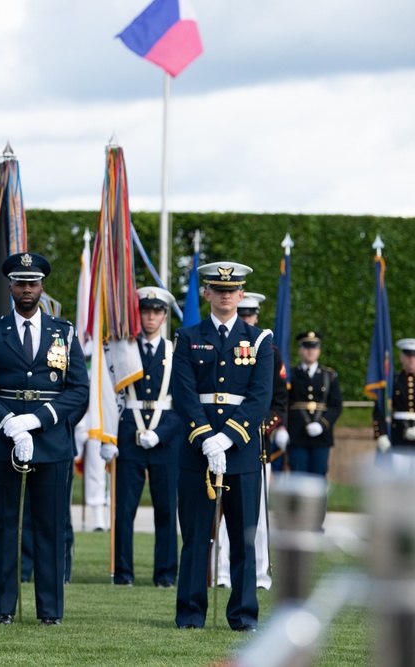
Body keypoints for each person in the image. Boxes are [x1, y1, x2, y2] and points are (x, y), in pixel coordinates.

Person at [0, 251, 88, 626]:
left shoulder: (64, 333)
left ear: (42, 287)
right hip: (5, 440)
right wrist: (8, 424)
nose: (26, 289)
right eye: (20, 283)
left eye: (32, 283)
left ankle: (50, 610)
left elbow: (78, 389)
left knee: (50, 526)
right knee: (4, 525)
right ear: (10, 287)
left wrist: (35, 421)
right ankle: (2, 606)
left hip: (51, 440)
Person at [172, 261, 273, 632]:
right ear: (207, 293)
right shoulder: (186, 337)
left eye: (233, 290)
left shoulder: (260, 339)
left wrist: (227, 437)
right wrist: (204, 437)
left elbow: (260, 397)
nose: (226, 294)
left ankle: (244, 616)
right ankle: (190, 614)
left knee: (244, 541)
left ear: (241, 294)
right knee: (197, 537)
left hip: (242, 451)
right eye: (218, 288)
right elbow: (183, 393)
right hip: (196, 451)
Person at [100, 286, 180, 588]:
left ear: (164, 316)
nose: (150, 317)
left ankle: (165, 575)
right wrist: (107, 437)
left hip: (166, 441)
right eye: (145, 311)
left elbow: (183, 403)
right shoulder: (122, 349)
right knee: (124, 511)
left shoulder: (175, 351)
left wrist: (161, 434)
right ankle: (123, 574)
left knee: (166, 512)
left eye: (156, 312)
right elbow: (108, 394)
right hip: (128, 436)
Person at [214, 292, 289, 590]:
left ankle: (258, 575)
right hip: (218, 440)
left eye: (250, 315)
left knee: (254, 517)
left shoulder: (268, 349)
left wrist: (259, 426)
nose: (245, 320)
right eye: (241, 314)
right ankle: (219, 574)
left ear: (256, 316)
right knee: (218, 517)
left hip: (255, 444)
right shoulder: (220, 345)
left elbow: (277, 401)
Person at [286, 332, 342, 479]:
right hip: (296, 434)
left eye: (314, 347)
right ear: (300, 350)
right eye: (306, 346)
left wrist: (322, 425)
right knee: (298, 477)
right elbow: (284, 403)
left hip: (321, 436)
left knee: (319, 477)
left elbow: (336, 405)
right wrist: (282, 428)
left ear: (319, 350)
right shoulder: (290, 374)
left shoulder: (329, 375)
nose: (310, 350)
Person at [374, 339, 415, 464]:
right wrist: (381, 434)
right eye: (408, 356)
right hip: (397, 437)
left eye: (414, 356)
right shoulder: (393, 382)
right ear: (402, 357)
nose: (412, 360)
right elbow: (380, 410)